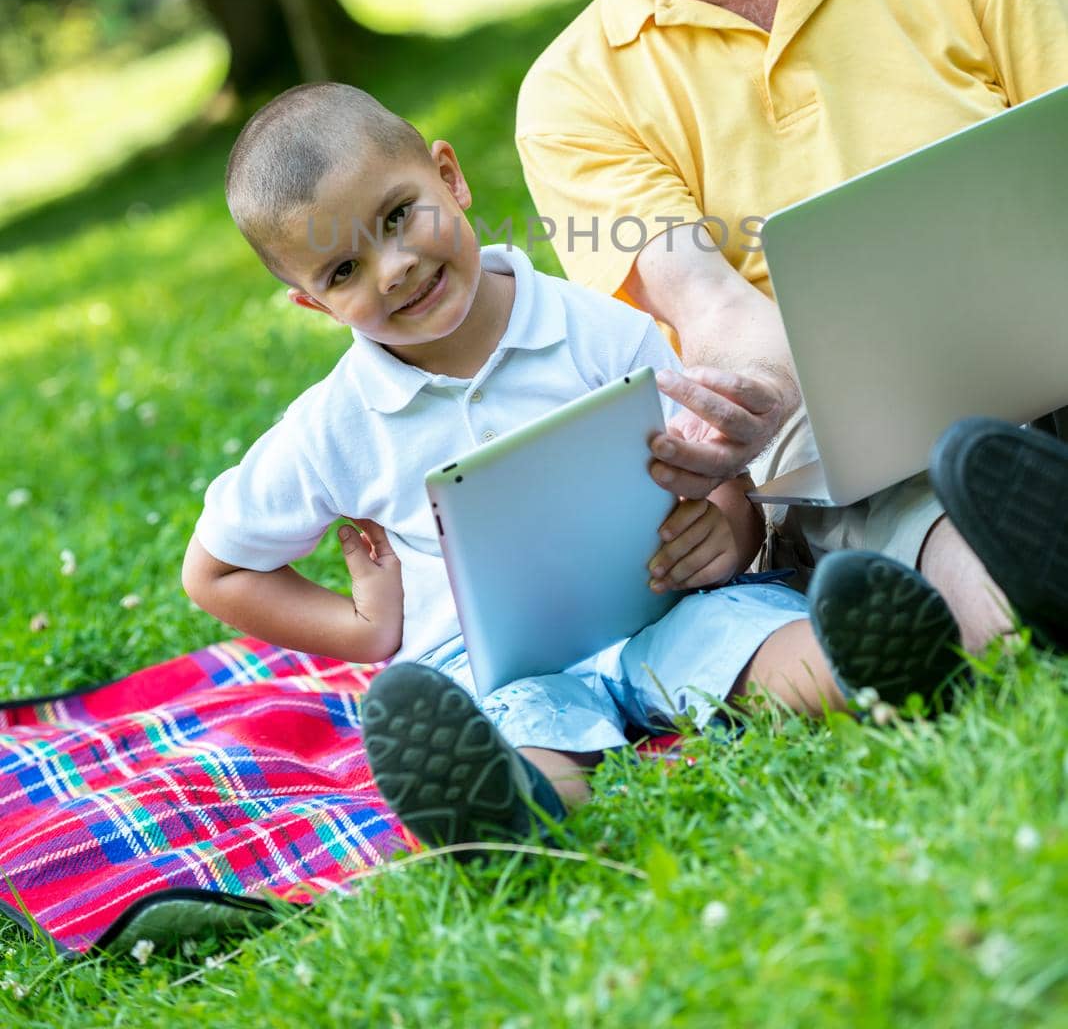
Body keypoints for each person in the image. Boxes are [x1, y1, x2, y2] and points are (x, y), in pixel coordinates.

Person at [484, 0, 1068, 655]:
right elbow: (701, 299)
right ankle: (1024, 586)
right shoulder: (573, 95)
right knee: (933, 522)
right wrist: (761, 394)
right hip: (871, 447)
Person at [182, 82, 962, 851]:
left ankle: (872, 662)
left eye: (396, 217)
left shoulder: (594, 329)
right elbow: (213, 572)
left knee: (757, 641)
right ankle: (511, 812)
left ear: (449, 177)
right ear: (314, 306)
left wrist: (726, 526)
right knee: (514, 741)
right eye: (343, 271)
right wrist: (362, 631)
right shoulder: (334, 427)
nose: (391, 269)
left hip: (662, 605)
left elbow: (710, 465)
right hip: (491, 662)